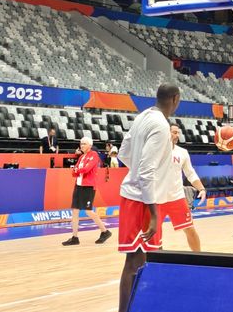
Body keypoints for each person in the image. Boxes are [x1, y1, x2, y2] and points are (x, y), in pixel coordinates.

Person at [117, 84, 180, 312]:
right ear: (175, 99)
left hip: (135, 196)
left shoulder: (143, 116)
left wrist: (135, 173)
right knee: (135, 263)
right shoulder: (161, 125)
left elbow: (123, 152)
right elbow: (146, 171)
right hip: (142, 202)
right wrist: (154, 214)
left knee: (140, 262)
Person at [162, 124, 206, 252]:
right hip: (157, 198)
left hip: (176, 197)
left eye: (178, 133)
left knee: (190, 229)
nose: (177, 135)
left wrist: (201, 189)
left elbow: (190, 173)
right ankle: (154, 261)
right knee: (153, 232)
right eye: (174, 132)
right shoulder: (155, 150)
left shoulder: (182, 152)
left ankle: (199, 258)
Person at [61, 136, 112, 246]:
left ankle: (105, 231)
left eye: (84, 143)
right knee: (75, 210)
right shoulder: (82, 157)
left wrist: (77, 170)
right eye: (81, 143)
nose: (81, 145)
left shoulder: (94, 155)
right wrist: (77, 170)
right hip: (78, 185)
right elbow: (73, 172)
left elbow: (86, 169)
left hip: (88, 186)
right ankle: (75, 237)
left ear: (90, 145)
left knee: (88, 210)